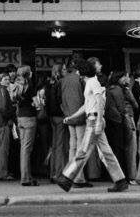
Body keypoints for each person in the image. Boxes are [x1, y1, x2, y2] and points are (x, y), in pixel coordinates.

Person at [56, 59, 128, 193]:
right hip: (94, 118)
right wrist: (72, 117)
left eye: (78, 70)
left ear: (82, 71)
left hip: (93, 120)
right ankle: (120, 180)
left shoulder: (92, 82)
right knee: (106, 152)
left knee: (83, 150)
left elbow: (99, 100)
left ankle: (67, 178)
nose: (77, 72)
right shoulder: (91, 82)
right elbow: (87, 105)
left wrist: (99, 120)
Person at [60, 58, 91, 188]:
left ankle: (69, 176)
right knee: (80, 146)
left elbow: (60, 98)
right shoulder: (81, 79)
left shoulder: (63, 80)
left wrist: (67, 114)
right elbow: (86, 97)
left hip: (69, 116)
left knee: (72, 146)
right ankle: (78, 178)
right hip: (80, 115)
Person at [13, 65, 38, 186]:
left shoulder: (17, 84)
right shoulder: (30, 85)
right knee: (27, 149)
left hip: (20, 118)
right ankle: (26, 178)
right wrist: (39, 104)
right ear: (28, 73)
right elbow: (37, 103)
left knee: (23, 148)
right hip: (29, 118)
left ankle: (26, 176)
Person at [45, 63, 67, 182]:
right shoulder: (60, 83)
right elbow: (59, 101)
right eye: (63, 69)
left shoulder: (49, 83)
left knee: (54, 146)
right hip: (59, 117)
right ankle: (59, 174)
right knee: (60, 146)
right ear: (58, 71)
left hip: (51, 117)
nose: (65, 71)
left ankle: (53, 172)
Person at [105, 71, 127, 176]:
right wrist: (122, 115)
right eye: (124, 77)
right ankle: (122, 173)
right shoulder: (118, 90)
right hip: (118, 120)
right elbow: (121, 107)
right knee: (120, 148)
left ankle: (113, 173)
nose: (125, 79)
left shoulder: (108, 89)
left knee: (112, 147)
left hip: (110, 120)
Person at [120, 73, 138, 183]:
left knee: (126, 147)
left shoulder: (115, 90)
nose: (129, 78)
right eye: (126, 76)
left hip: (122, 118)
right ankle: (132, 176)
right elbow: (135, 104)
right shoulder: (126, 90)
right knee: (132, 147)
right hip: (129, 118)